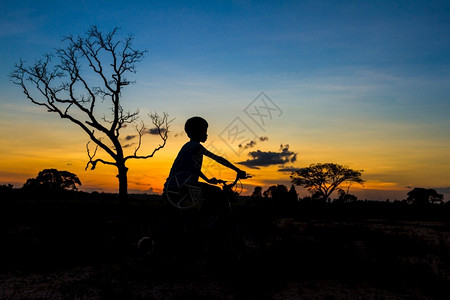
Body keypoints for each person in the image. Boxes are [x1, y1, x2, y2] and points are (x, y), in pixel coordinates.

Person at [163, 116, 246, 198]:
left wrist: (208, 180)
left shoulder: (187, 147)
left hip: (172, 186)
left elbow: (194, 170)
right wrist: (238, 170)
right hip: (183, 186)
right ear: (198, 132)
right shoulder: (196, 147)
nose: (206, 135)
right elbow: (218, 159)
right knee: (217, 193)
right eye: (205, 132)